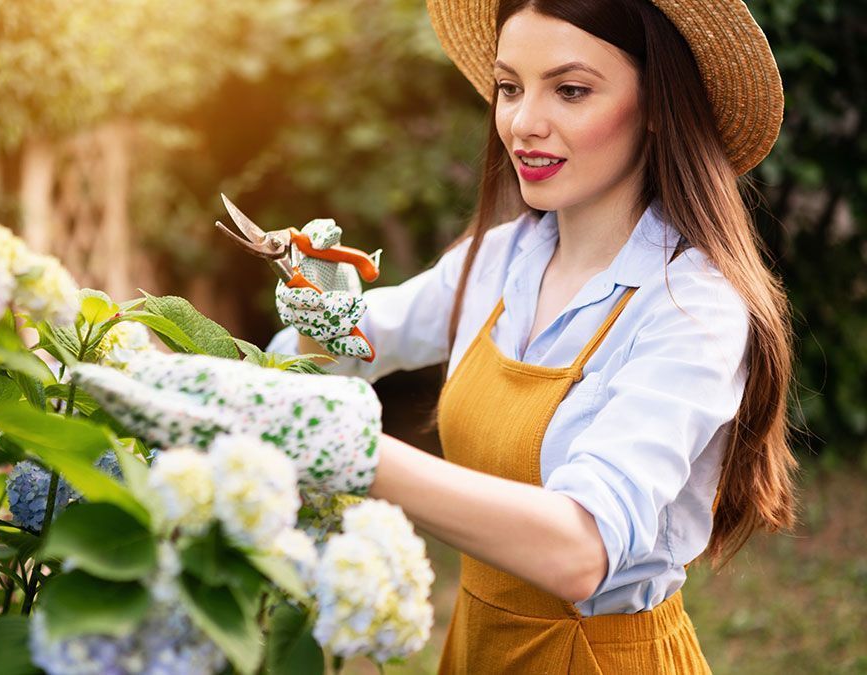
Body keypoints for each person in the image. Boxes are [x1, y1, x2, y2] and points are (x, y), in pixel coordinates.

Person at [71, 0, 800, 671]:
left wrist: (352, 449)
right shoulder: (502, 258)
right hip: (478, 646)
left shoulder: (692, 307)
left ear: (656, 110)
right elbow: (356, 342)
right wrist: (307, 305)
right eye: (510, 87)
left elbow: (582, 548)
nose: (522, 122)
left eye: (570, 91)